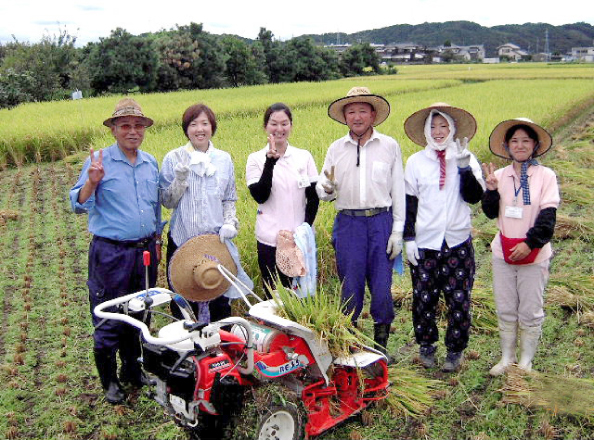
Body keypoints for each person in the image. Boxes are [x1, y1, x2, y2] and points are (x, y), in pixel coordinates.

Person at [70, 98, 164, 404]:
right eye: (125, 125)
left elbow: (155, 208)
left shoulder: (150, 163)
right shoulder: (99, 162)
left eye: (138, 126)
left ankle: (132, 370)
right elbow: (77, 203)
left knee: (139, 313)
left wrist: (158, 242)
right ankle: (109, 381)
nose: (132, 131)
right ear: (113, 130)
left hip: (145, 252)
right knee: (109, 315)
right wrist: (91, 183)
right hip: (110, 254)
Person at [316, 87, 405, 359]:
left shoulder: (389, 146)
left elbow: (398, 190)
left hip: (381, 222)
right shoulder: (335, 148)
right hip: (349, 224)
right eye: (351, 111)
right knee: (350, 286)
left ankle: (380, 346)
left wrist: (398, 230)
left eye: (362, 111)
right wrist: (327, 188)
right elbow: (323, 191)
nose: (357, 116)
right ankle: (351, 345)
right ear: (344, 117)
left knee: (381, 287)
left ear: (373, 115)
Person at [403, 103, 485, 372]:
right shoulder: (415, 162)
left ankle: (455, 350)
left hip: (457, 240)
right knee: (424, 298)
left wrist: (463, 168)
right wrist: (408, 238)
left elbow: (473, 197)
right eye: (433, 126)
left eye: (443, 126)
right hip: (425, 243)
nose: (438, 131)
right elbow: (409, 203)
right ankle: (426, 346)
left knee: (459, 299)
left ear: (452, 129)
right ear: (426, 131)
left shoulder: (466, 157)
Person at [481, 118, 560, 376]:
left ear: (535, 145)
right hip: (502, 253)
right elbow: (491, 213)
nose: (520, 145)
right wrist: (491, 190)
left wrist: (530, 244)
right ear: (507, 146)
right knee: (505, 307)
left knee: (530, 310)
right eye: (515, 141)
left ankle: (525, 361)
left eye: (526, 140)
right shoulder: (501, 176)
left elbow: (548, 217)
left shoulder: (546, 176)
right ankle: (506, 358)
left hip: (534, 255)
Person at [160, 103, 252, 323]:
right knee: (183, 304)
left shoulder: (223, 159)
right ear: (186, 129)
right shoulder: (174, 158)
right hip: (183, 242)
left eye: (204, 123)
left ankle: (222, 351)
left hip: (214, 243)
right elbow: (167, 201)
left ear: (212, 127)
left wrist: (230, 222)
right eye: (193, 124)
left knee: (219, 300)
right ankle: (189, 354)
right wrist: (180, 179)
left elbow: (229, 197)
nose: (199, 129)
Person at [246, 103, 319, 296]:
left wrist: (305, 228)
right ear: (265, 127)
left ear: (291, 126)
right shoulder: (255, 159)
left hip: (300, 240)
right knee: (274, 296)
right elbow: (260, 195)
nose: (279, 129)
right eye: (274, 124)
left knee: (302, 294)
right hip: (270, 240)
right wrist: (270, 162)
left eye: (284, 124)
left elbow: (313, 197)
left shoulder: (303, 157)